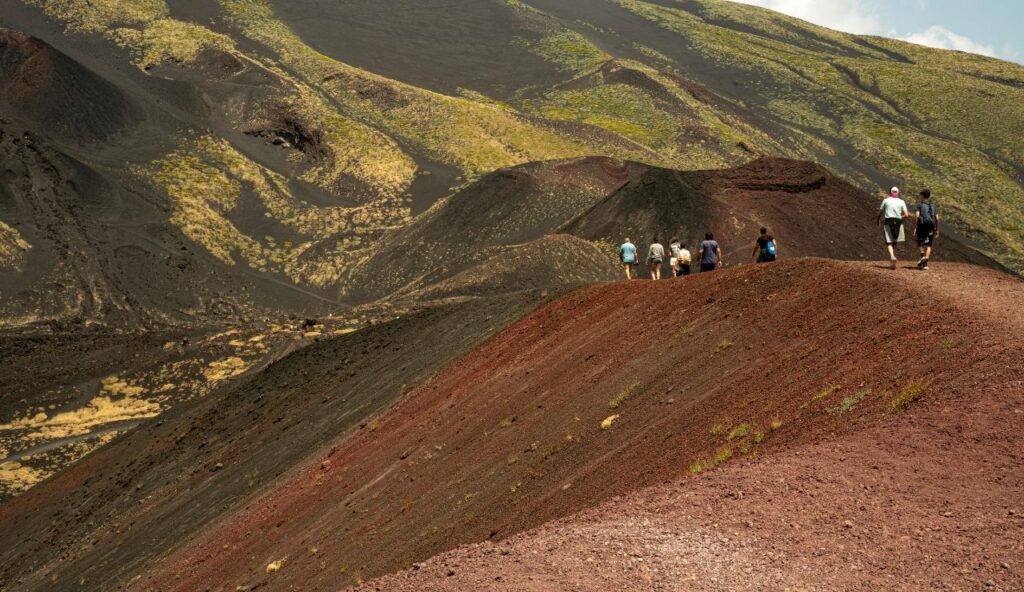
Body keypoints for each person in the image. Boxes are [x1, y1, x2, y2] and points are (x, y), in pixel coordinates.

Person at [876, 186, 909, 269]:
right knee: (895, 241)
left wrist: (878, 220)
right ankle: (892, 262)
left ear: (890, 192)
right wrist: (899, 217)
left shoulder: (886, 200)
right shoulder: (902, 202)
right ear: (898, 193)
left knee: (888, 241)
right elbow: (906, 215)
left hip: (888, 221)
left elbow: (880, 212)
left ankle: (892, 256)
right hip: (898, 222)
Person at [913, 189, 940, 270]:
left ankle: (923, 257)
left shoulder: (919, 205)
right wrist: (937, 229)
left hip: (922, 225)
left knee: (920, 243)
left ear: (922, 196)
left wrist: (915, 227)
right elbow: (937, 218)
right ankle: (925, 263)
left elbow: (917, 216)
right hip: (931, 226)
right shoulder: (933, 206)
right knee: (929, 245)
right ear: (929, 196)